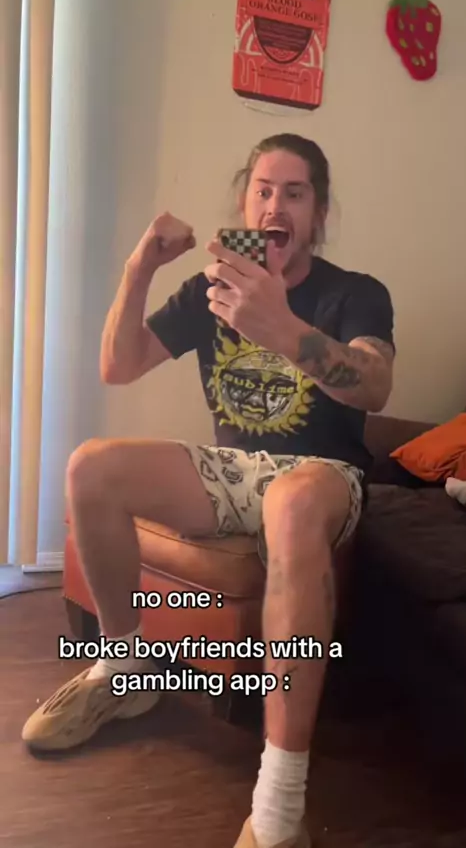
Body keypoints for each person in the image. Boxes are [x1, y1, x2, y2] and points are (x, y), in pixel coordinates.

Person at [22, 133, 395, 848]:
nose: (275, 206)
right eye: (263, 190)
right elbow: (119, 365)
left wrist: (282, 328)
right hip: (236, 471)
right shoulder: (213, 289)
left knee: (290, 502)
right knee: (90, 466)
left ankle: (280, 803)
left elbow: (374, 386)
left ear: (317, 214)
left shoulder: (355, 293)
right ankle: (125, 666)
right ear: (245, 205)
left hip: (323, 477)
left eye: (294, 193)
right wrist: (139, 266)